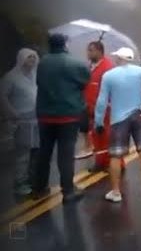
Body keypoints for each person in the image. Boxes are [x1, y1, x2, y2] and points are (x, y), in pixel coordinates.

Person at [95, 47, 141, 203]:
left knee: (116, 156)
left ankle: (116, 192)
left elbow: (102, 101)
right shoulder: (140, 71)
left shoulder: (109, 75)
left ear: (119, 58)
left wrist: (98, 121)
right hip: (139, 115)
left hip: (118, 119)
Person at [33, 34, 90, 203]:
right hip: (67, 115)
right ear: (65, 44)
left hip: (45, 115)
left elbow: (39, 83)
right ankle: (68, 191)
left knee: (44, 152)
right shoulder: (74, 63)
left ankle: (39, 188)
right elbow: (85, 80)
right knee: (65, 154)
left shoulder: (42, 62)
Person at [0, 48, 39, 197]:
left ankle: (31, 179)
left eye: (34, 57)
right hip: (21, 120)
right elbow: (2, 97)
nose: (32, 60)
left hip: (35, 120)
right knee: (22, 154)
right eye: (29, 57)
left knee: (35, 151)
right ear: (21, 59)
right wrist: (12, 114)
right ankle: (19, 183)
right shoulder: (11, 77)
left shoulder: (34, 75)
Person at [83, 41, 125, 172]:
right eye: (88, 50)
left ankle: (118, 164)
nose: (89, 53)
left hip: (106, 109)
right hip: (92, 108)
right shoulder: (90, 67)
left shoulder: (108, 67)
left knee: (109, 137)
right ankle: (101, 162)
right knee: (96, 136)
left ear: (100, 51)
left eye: (92, 50)